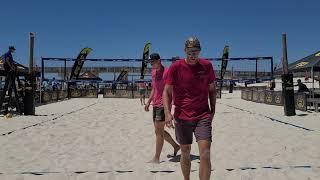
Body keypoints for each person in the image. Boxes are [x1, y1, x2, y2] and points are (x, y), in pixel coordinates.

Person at [163, 37, 217, 180]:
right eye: (190, 51)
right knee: (185, 152)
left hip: (203, 115)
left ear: (199, 51)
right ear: (185, 51)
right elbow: (166, 92)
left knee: (205, 153)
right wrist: (168, 113)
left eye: (196, 51)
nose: (193, 54)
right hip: (182, 116)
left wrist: (213, 110)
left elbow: (212, 89)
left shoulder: (207, 66)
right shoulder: (176, 67)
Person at [144, 53, 180, 164]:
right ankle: (175, 146)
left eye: (152, 62)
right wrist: (149, 101)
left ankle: (156, 158)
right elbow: (154, 88)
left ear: (159, 60)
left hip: (164, 105)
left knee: (159, 132)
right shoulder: (153, 72)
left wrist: (170, 110)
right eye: (150, 62)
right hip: (155, 104)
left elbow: (173, 89)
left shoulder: (168, 71)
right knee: (158, 131)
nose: (151, 64)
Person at [0, 46, 19, 113]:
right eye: (13, 49)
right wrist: (11, 67)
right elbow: (7, 61)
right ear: (11, 49)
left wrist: (13, 65)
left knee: (10, 82)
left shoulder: (9, 54)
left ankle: (8, 89)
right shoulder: (8, 54)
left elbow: (10, 61)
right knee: (9, 81)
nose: (14, 51)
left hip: (8, 68)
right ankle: (8, 89)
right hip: (7, 69)